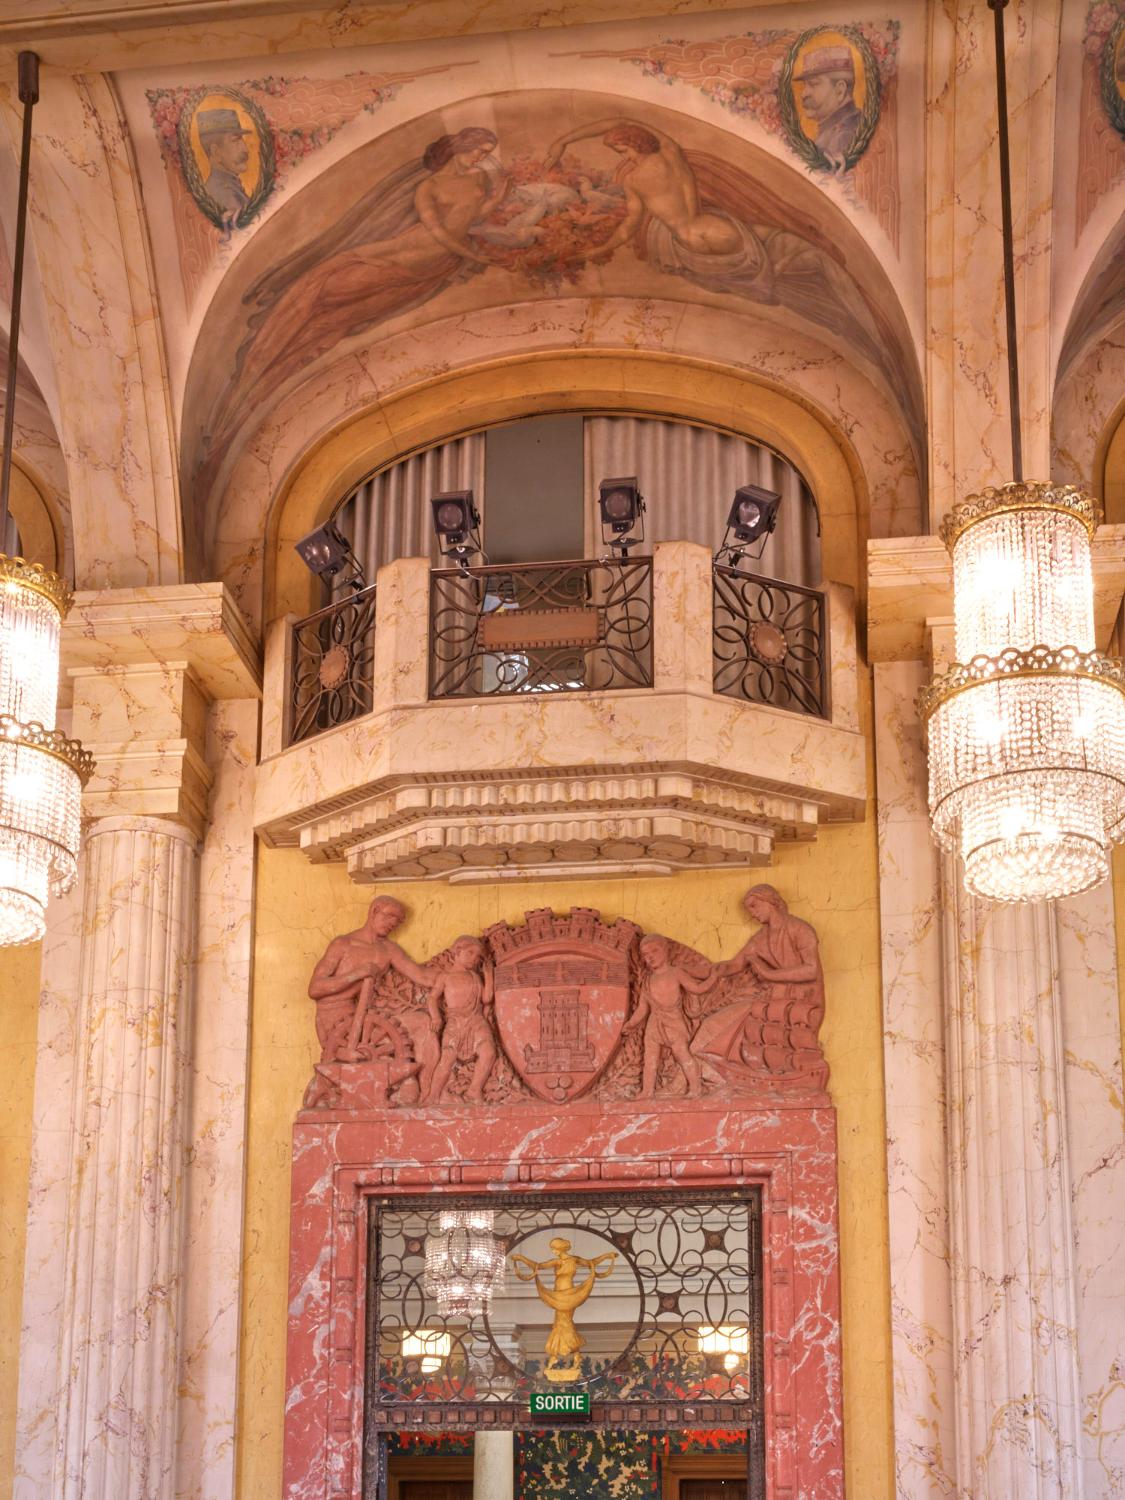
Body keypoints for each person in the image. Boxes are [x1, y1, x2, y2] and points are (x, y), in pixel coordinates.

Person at [225, 127, 508, 434]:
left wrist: (498, 198)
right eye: (478, 150)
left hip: (435, 265)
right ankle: (271, 348)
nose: (481, 158)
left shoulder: (478, 179)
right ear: (460, 146)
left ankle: (289, 356)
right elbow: (438, 233)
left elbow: (473, 215)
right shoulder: (429, 186)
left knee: (346, 313)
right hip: (411, 252)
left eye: (486, 153)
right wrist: (473, 255)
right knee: (330, 287)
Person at [690, 885, 825, 1084]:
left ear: (771, 901)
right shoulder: (760, 938)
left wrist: (770, 974)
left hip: (802, 1001)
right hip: (775, 1000)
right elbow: (734, 965)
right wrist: (695, 971)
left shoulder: (800, 929)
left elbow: (811, 970)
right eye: (749, 910)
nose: (753, 914)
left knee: (778, 1039)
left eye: (755, 906)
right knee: (720, 1024)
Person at [307, 895, 436, 1063]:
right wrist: (357, 974)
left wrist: (456, 976)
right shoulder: (343, 944)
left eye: (397, 922)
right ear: (374, 910)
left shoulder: (388, 950)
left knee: (423, 1022)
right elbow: (315, 989)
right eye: (389, 916)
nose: (392, 924)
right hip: (335, 1021)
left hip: (363, 1018)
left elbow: (422, 976)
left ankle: (429, 1088)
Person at [510, 1237, 616, 1378]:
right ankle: (573, 1355)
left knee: (562, 1323)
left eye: (554, 1248)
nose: (553, 1251)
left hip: (566, 1296)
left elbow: (592, 1262)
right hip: (560, 1296)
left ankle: (558, 1355)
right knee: (563, 1323)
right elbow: (537, 1265)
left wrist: (607, 1256)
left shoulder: (565, 1260)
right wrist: (521, 1258)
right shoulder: (563, 1261)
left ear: (560, 1249)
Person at [625, 934, 715, 1097]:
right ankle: (647, 1091)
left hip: (674, 1021)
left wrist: (714, 977)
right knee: (650, 1058)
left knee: (682, 1054)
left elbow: (697, 989)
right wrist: (631, 1023)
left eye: (654, 951)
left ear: (666, 951)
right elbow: (642, 1008)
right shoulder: (647, 980)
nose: (650, 957)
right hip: (654, 1023)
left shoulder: (676, 973)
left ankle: (695, 1088)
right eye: (645, 954)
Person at [422, 935, 496, 1103]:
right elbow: (432, 998)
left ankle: (474, 1090)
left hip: (477, 1021)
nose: (474, 959)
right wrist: (435, 1017)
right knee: (447, 1059)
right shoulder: (445, 977)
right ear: (457, 952)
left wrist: (489, 975)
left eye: (478, 957)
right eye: (470, 953)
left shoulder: (475, 977)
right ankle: (433, 1096)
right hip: (456, 1022)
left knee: (489, 1052)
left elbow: (486, 999)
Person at [792, 46, 863, 166]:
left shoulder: (843, 136)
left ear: (840, 90)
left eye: (813, 84)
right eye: (805, 85)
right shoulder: (835, 129)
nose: (804, 94)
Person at [197, 106, 252, 220]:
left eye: (242, 140)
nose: (245, 149)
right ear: (216, 152)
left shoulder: (230, 187)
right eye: (235, 140)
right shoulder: (224, 195)